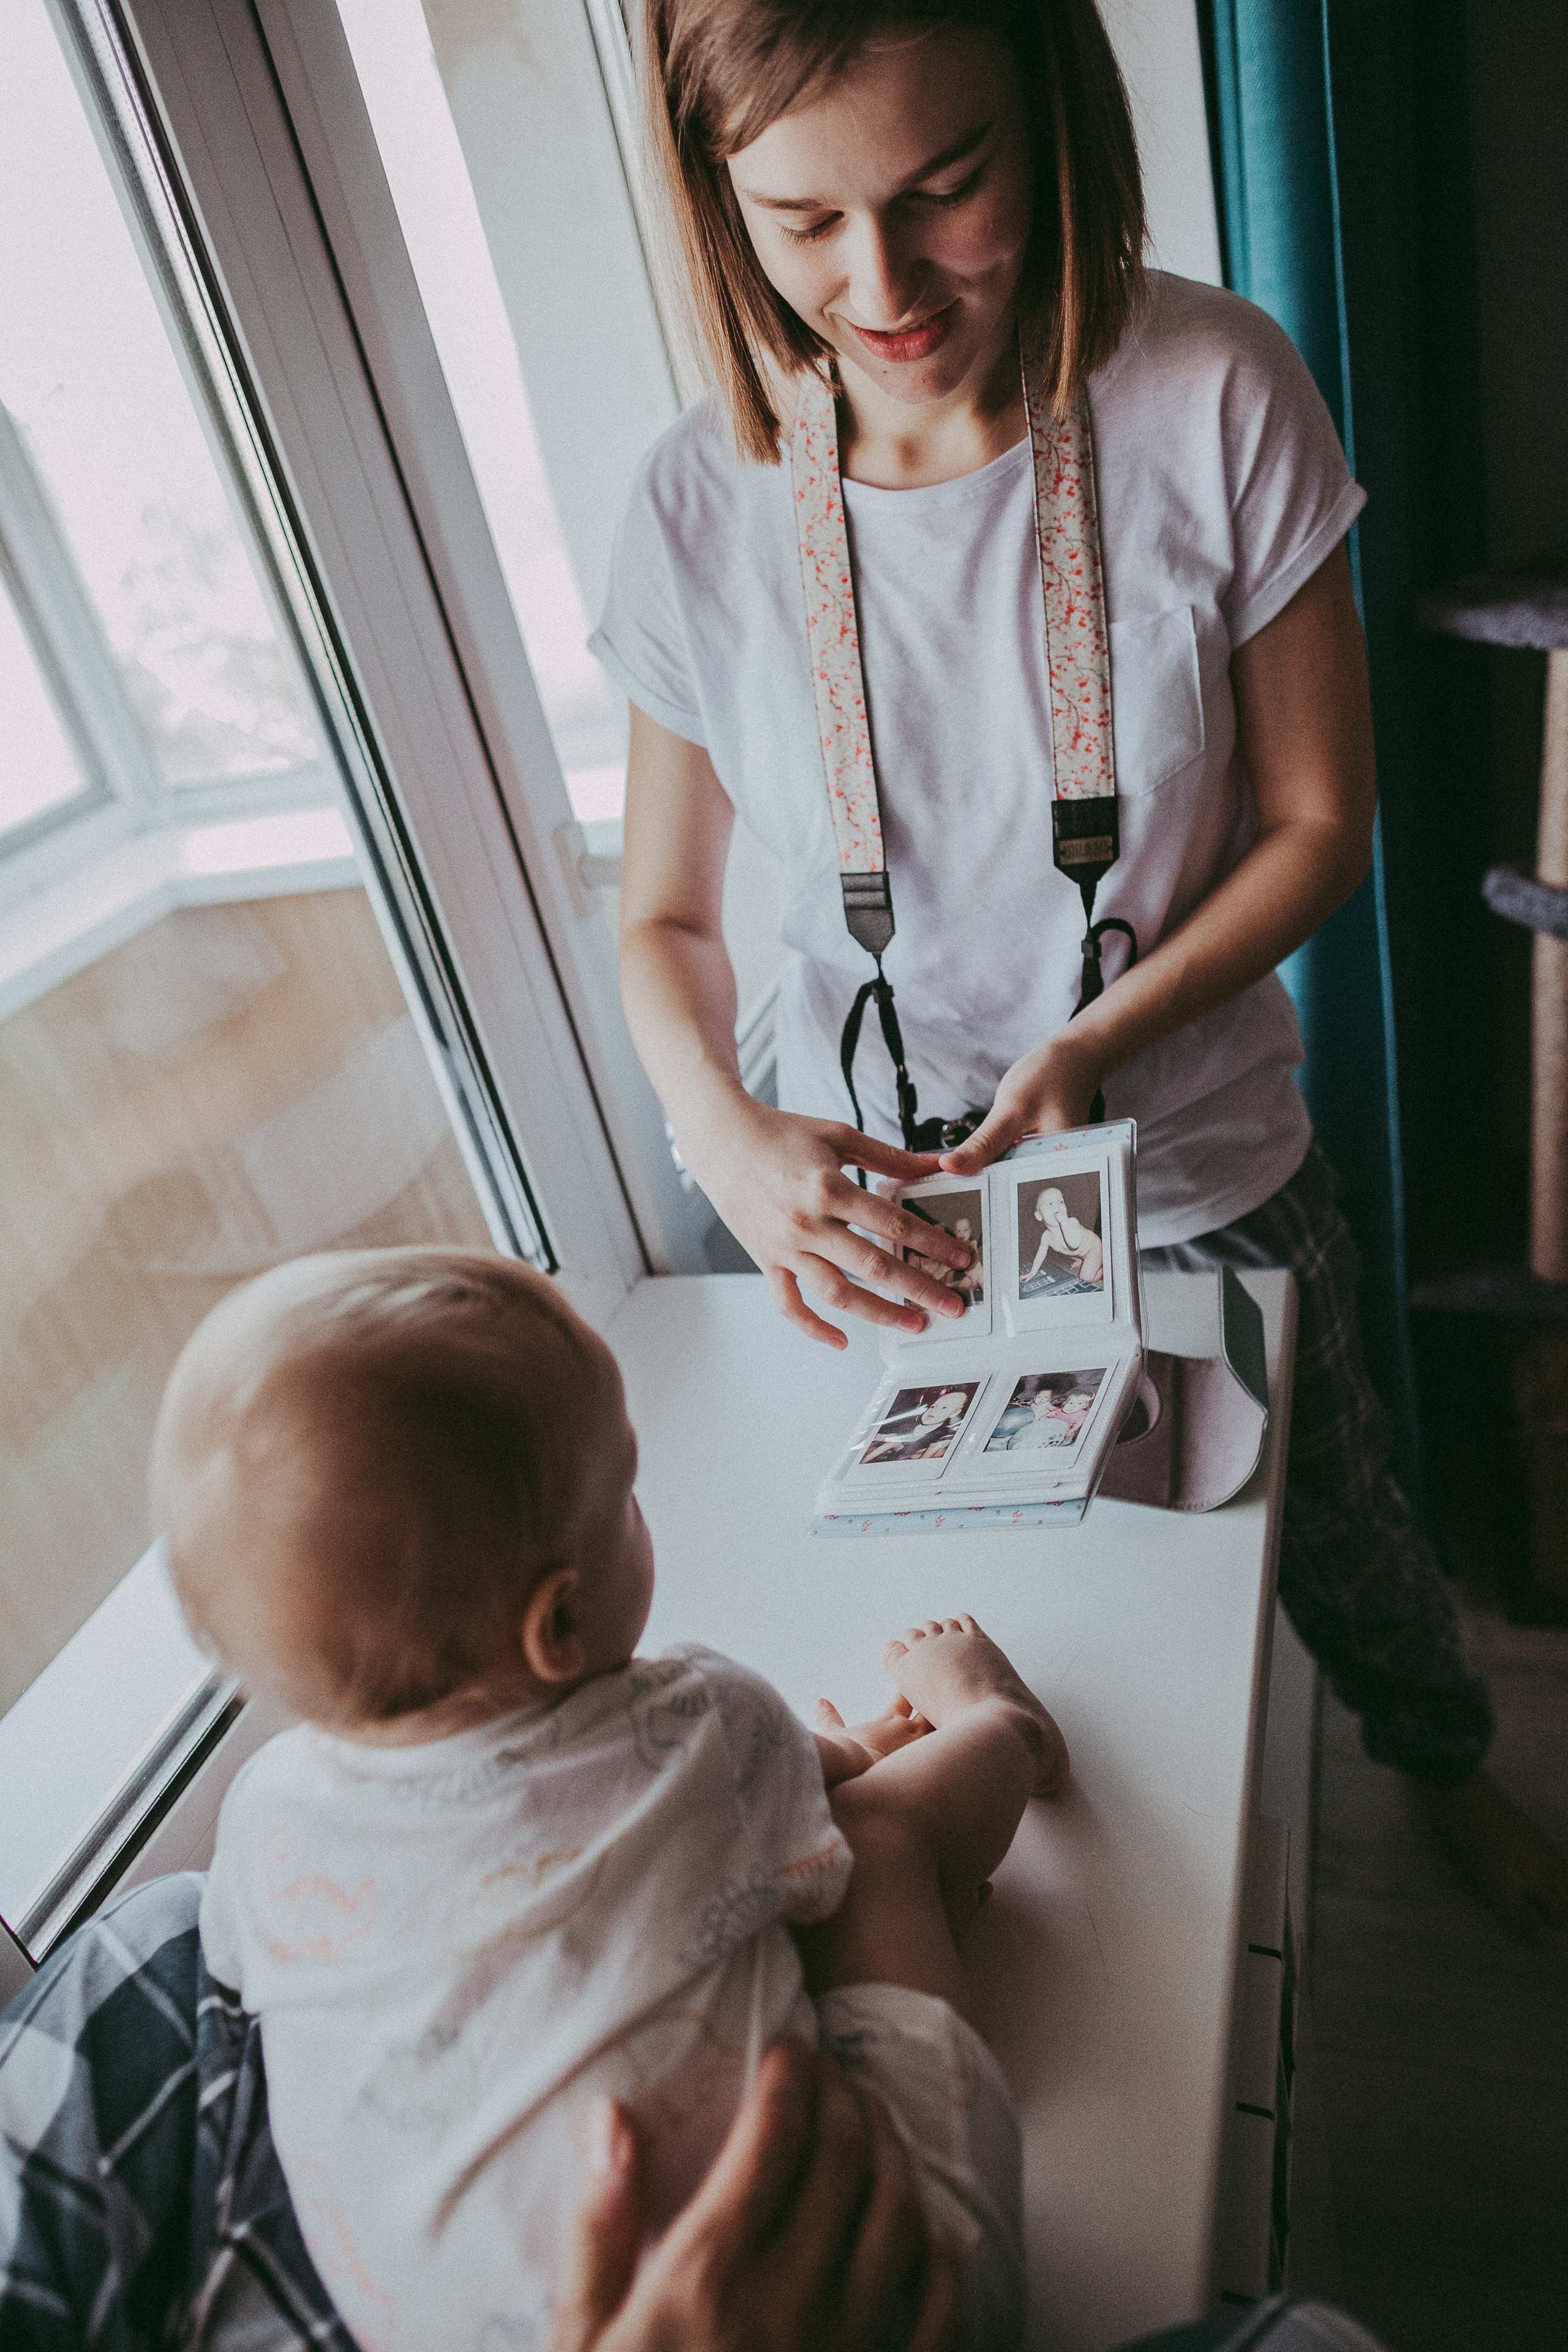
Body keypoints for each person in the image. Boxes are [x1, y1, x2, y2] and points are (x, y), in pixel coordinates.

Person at [601, 0, 1567, 1939]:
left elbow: (1319, 819)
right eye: (802, 221)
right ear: (717, 206)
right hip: (860, 1218)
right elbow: (667, 921)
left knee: (1338, 1520)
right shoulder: (700, 501)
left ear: (1050, 123)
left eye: (942, 188)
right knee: (962, 1592)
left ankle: (1442, 1751)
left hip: (1194, 1162)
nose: (882, 286)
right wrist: (733, 1143)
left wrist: (1095, 1043)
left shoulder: (1211, 389)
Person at [154, 1247, 1069, 2346]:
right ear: (557, 1624)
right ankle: (1004, 1728)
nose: (641, 1507)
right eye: (625, 1493)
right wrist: (857, 1747)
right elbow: (822, 1788)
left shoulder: (262, 1817)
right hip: (899, 2291)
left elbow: (260, 1962)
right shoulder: (696, 1723)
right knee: (873, 1843)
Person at [1023, 1186, 1104, 1289]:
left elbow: (1075, 1244)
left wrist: (1063, 1221)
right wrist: (1032, 1273)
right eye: (1050, 1204)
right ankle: (1082, 1261)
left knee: (1086, 1277)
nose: (1057, 1205)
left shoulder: (1072, 1222)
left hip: (1093, 1247)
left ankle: (1105, 1268)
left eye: (1061, 1202)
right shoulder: (1046, 1236)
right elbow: (1041, 1254)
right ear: (1039, 1216)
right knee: (1067, 1252)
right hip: (1079, 1254)